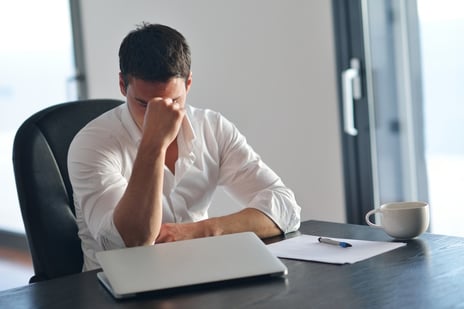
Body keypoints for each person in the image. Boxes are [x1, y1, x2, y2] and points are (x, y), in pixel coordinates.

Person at [68, 23, 301, 271]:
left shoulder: (213, 128)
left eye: (173, 100)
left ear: (188, 83)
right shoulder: (92, 143)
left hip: (198, 274)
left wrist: (197, 231)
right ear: (123, 86)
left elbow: (286, 208)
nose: (158, 114)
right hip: (116, 287)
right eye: (144, 104)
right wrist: (153, 143)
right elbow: (128, 244)